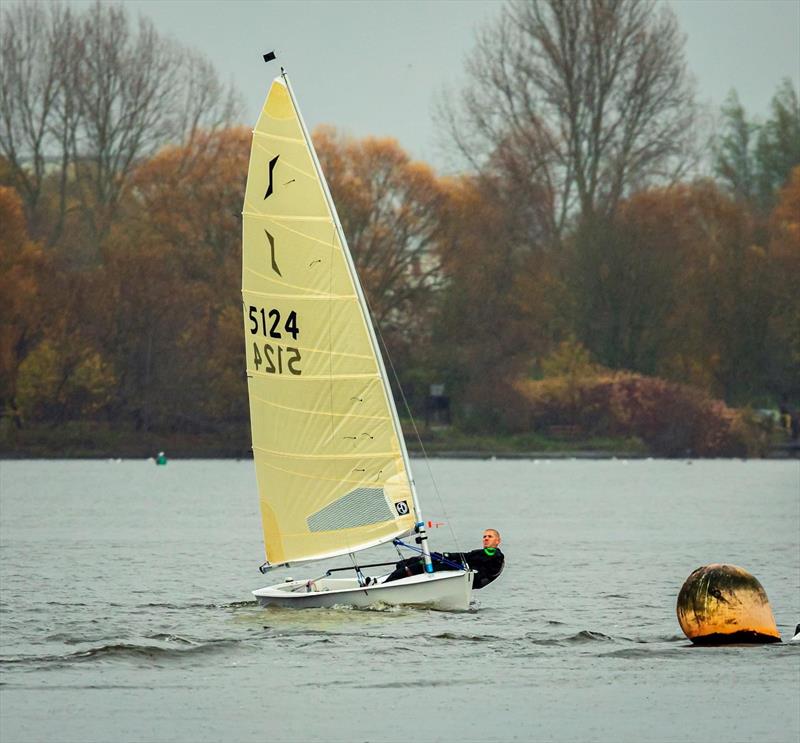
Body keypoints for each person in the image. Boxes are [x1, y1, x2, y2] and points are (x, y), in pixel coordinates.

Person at [381, 528, 505, 589]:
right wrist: (444, 555)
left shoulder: (495, 555)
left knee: (422, 564)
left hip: (463, 578)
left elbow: (468, 556)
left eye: (490, 536)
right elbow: (467, 557)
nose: (486, 538)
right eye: (484, 536)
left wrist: (446, 556)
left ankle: (385, 585)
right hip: (461, 573)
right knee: (414, 561)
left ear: (498, 541)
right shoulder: (483, 554)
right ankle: (396, 573)